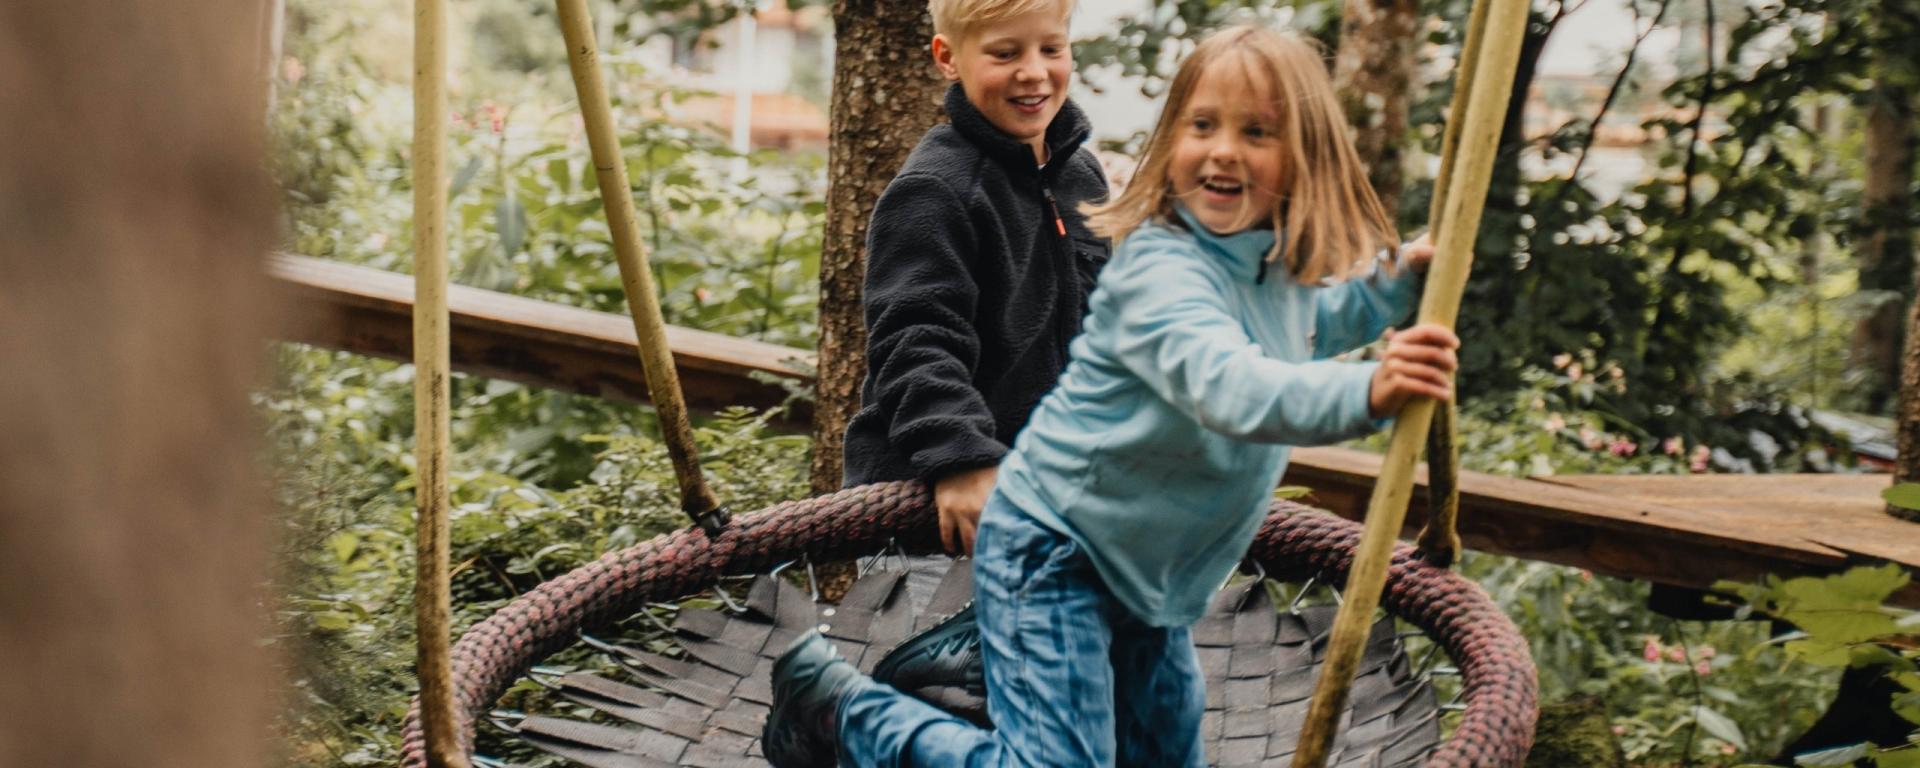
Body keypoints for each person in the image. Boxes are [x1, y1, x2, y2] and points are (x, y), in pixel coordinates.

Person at [766, 24, 1460, 767]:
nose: (1224, 149)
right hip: (1054, 546)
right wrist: (1371, 390)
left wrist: (1398, 285)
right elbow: (1228, 385)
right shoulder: (1166, 267)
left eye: (1256, 132)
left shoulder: (1256, 258)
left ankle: (970, 662)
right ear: (1173, 139)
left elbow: (1311, 323)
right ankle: (845, 712)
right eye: (1204, 126)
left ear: (1306, 156)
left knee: (1162, 751)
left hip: (1146, 566)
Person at [840, 0, 1108, 560]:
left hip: (1054, 496)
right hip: (938, 503)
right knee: (937, 647)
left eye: (1051, 49)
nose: (1033, 71)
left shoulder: (1081, 177)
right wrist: (962, 460)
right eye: (1004, 53)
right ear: (948, 58)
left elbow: (1105, 328)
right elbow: (915, 339)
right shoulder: (936, 190)